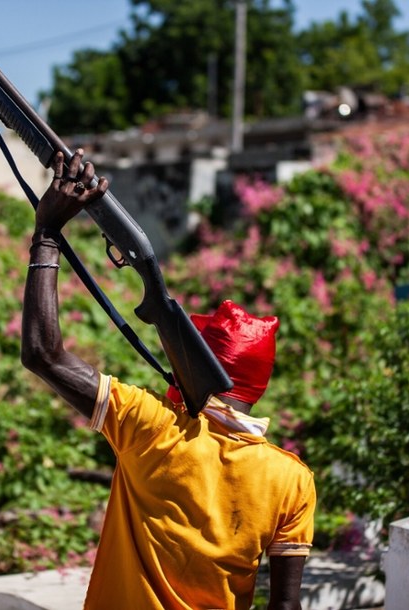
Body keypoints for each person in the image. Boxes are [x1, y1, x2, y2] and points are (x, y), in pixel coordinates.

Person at [20, 149, 316, 610]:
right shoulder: (291, 480)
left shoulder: (149, 425)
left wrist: (47, 234)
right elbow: (286, 607)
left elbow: (42, 354)